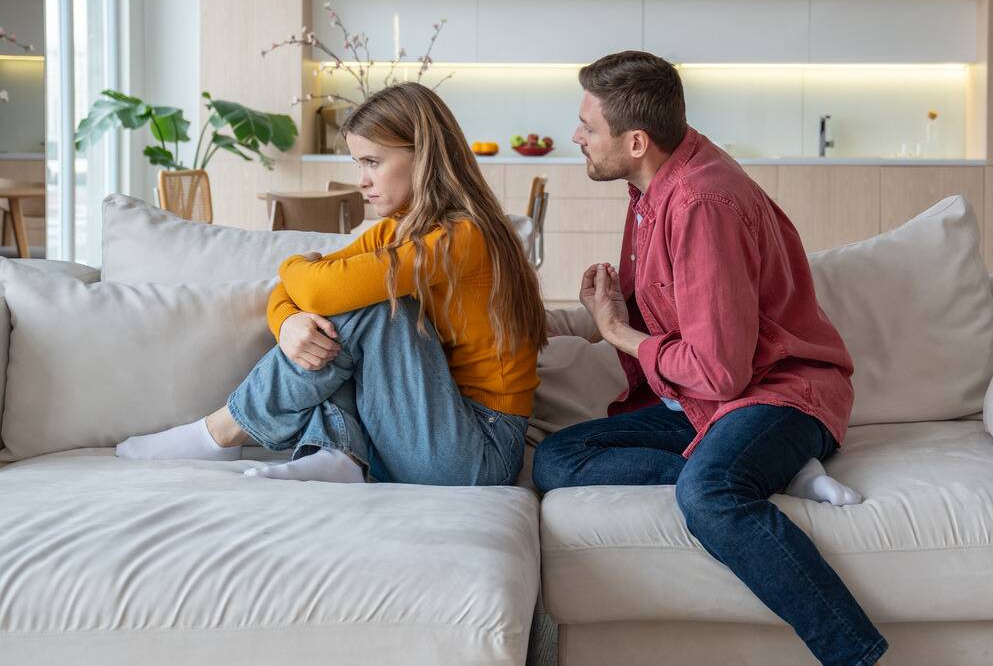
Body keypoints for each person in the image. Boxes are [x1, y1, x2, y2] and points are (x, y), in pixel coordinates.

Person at [532, 51, 888, 665]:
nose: (575, 136)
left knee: (711, 495)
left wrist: (619, 334)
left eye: (588, 126)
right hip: (702, 406)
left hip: (776, 395)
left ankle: (856, 655)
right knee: (558, 459)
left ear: (636, 140)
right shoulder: (650, 189)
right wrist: (606, 314)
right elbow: (686, 328)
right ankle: (775, 471)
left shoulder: (703, 203)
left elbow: (722, 372)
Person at [117, 82, 546, 487]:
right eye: (359, 164)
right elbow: (295, 293)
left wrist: (293, 266)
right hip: (428, 428)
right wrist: (288, 324)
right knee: (340, 318)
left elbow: (320, 289)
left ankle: (220, 432)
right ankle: (339, 455)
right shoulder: (394, 234)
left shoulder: (463, 237)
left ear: (425, 157)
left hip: (479, 449)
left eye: (373, 163)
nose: (362, 180)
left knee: (377, 309)